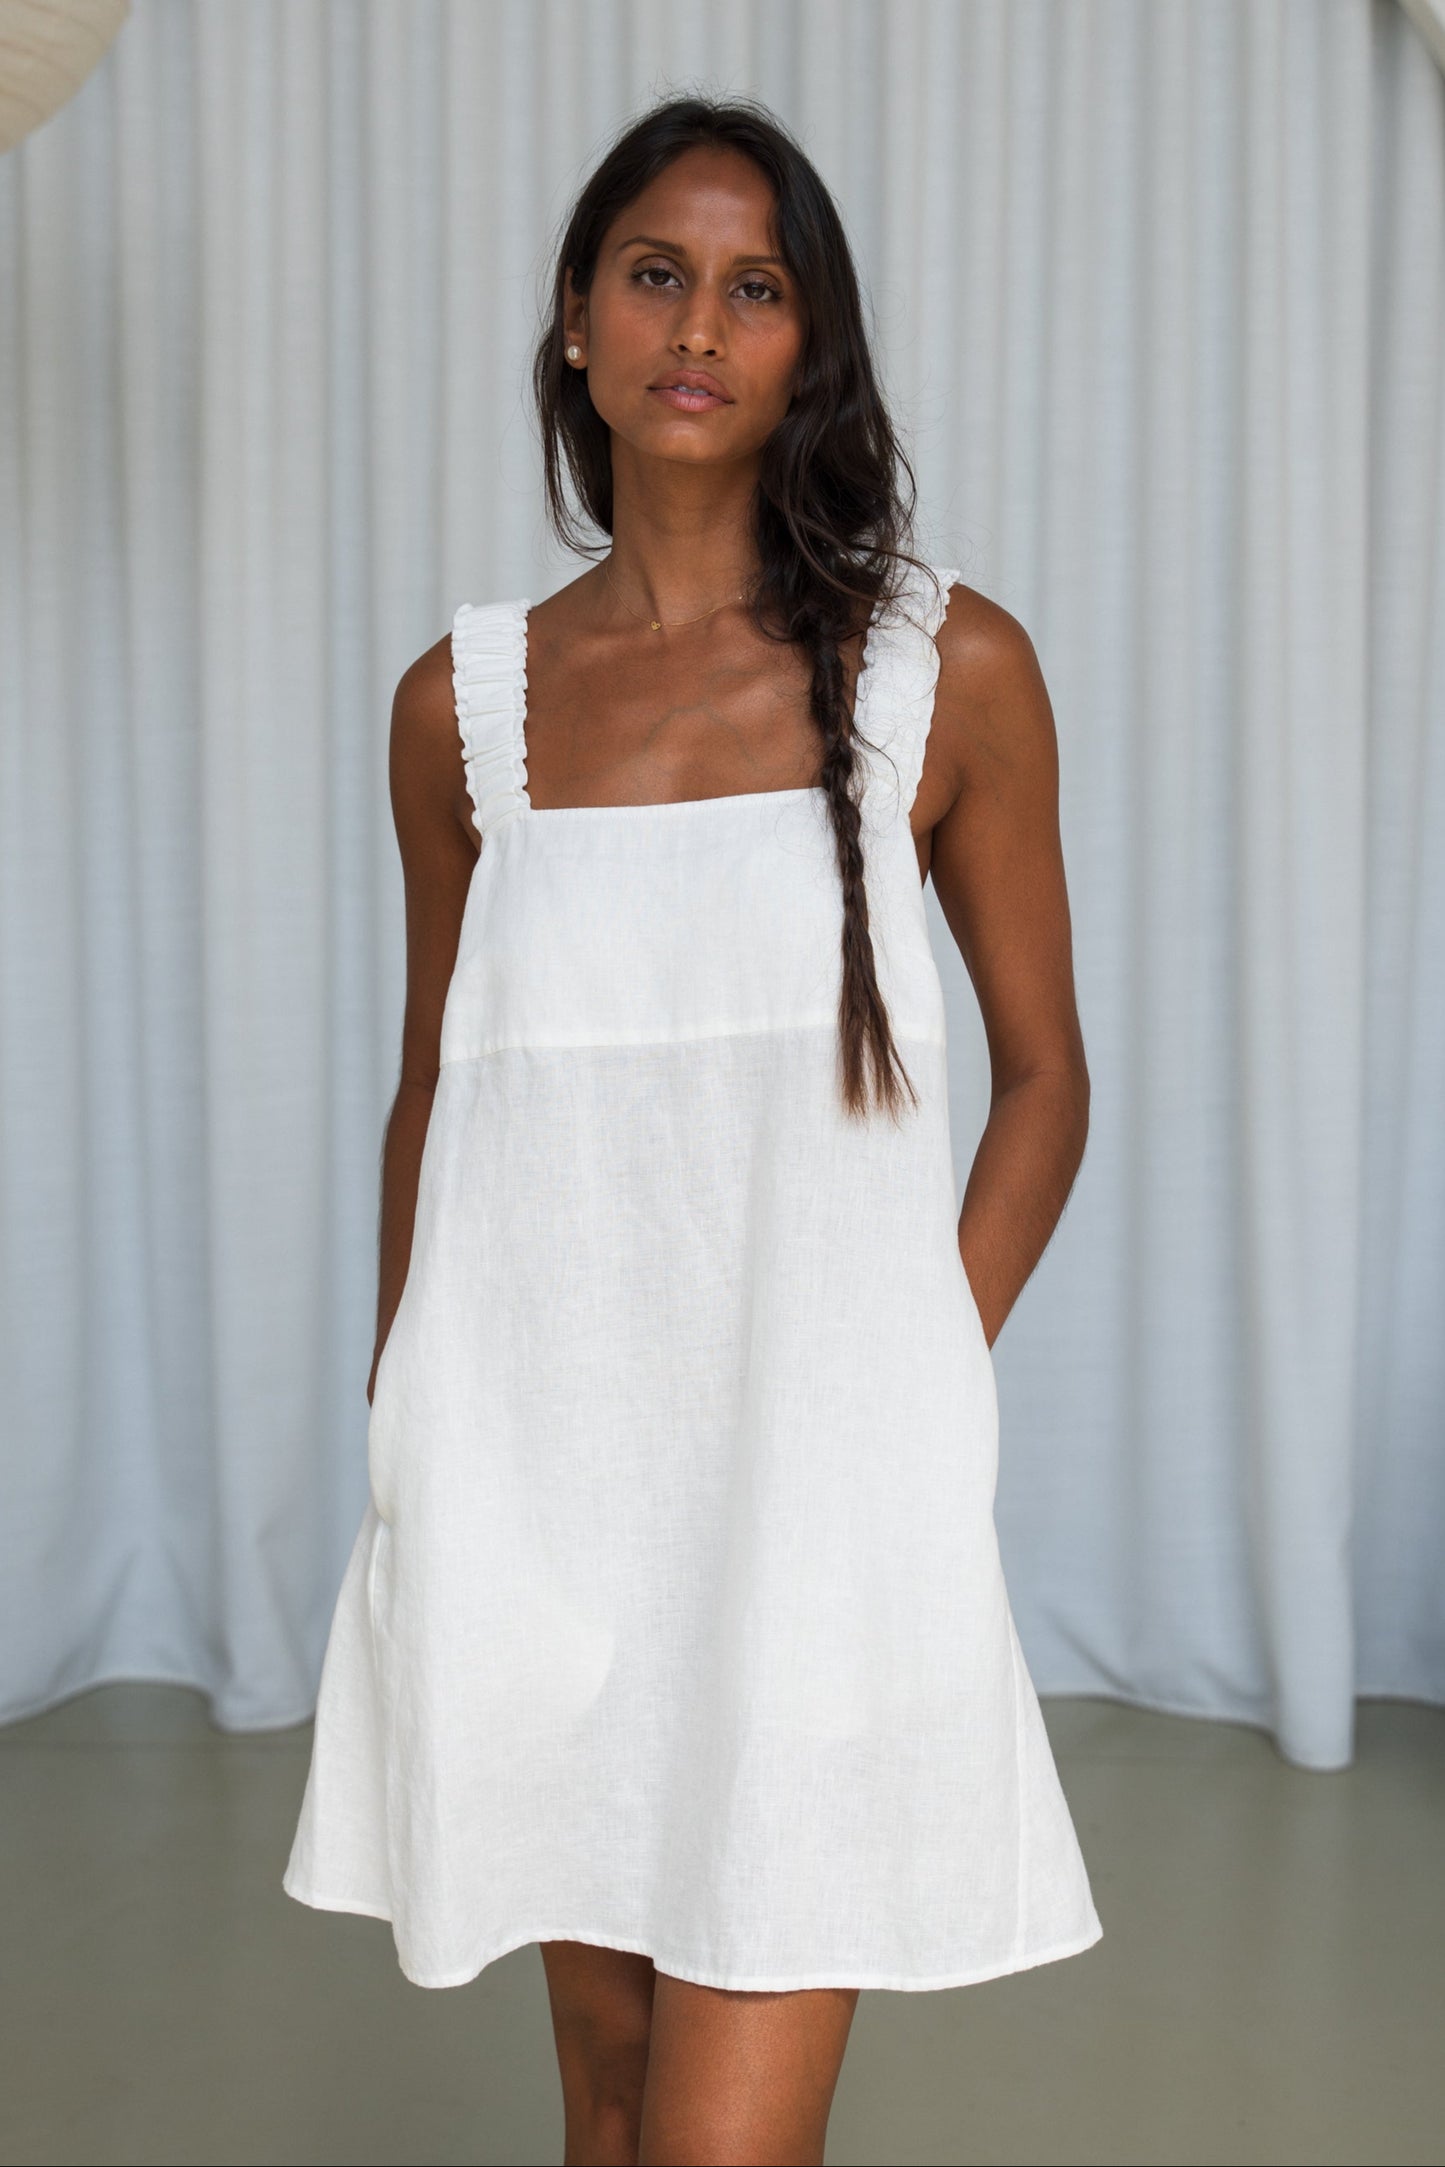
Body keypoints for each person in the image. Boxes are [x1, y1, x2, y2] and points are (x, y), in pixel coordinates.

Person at [284, 93, 1102, 2167]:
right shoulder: (461, 704)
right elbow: (435, 1086)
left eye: (759, 290)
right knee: (619, 2094)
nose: (700, 324)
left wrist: (913, 1377)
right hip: (536, 1488)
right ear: (577, 318)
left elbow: (1048, 1076)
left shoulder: (944, 667)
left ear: (808, 349)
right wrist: (406, 1416)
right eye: (659, 271)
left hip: (814, 1495)